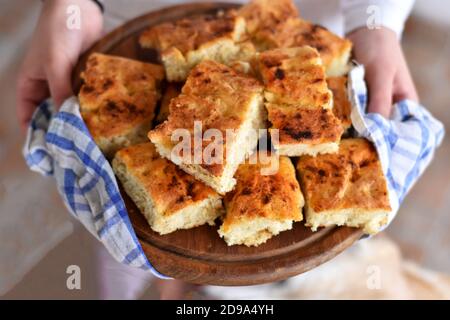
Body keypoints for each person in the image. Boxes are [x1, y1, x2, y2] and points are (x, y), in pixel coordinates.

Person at [16, 0, 418, 299]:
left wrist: (377, 21)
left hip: (302, 31)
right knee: (117, 246)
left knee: (245, 282)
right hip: (126, 16)